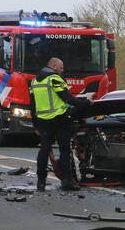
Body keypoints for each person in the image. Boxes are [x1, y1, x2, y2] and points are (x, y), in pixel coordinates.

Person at [29, 57, 91, 191]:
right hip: (60, 119)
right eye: (61, 67)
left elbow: (32, 106)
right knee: (64, 150)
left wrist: (35, 125)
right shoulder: (55, 79)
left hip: (43, 121)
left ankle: (41, 182)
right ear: (53, 66)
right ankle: (67, 180)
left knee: (44, 150)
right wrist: (87, 103)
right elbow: (67, 98)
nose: (62, 70)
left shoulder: (34, 81)